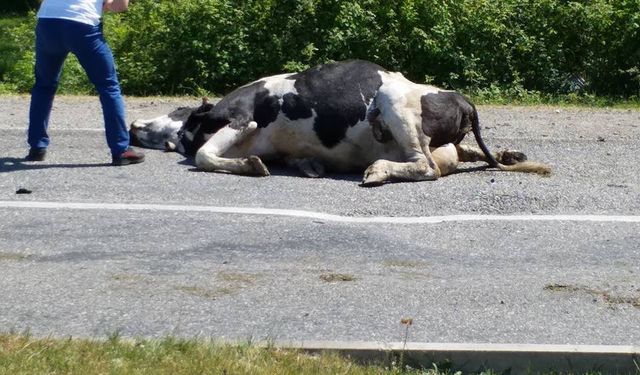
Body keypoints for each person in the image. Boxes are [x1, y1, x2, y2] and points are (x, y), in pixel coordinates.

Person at [26, 0, 144, 165]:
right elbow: (119, 6)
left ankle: (37, 148)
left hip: (48, 20)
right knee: (108, 87)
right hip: (82, 24)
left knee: (44, 86)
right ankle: (120, 150)